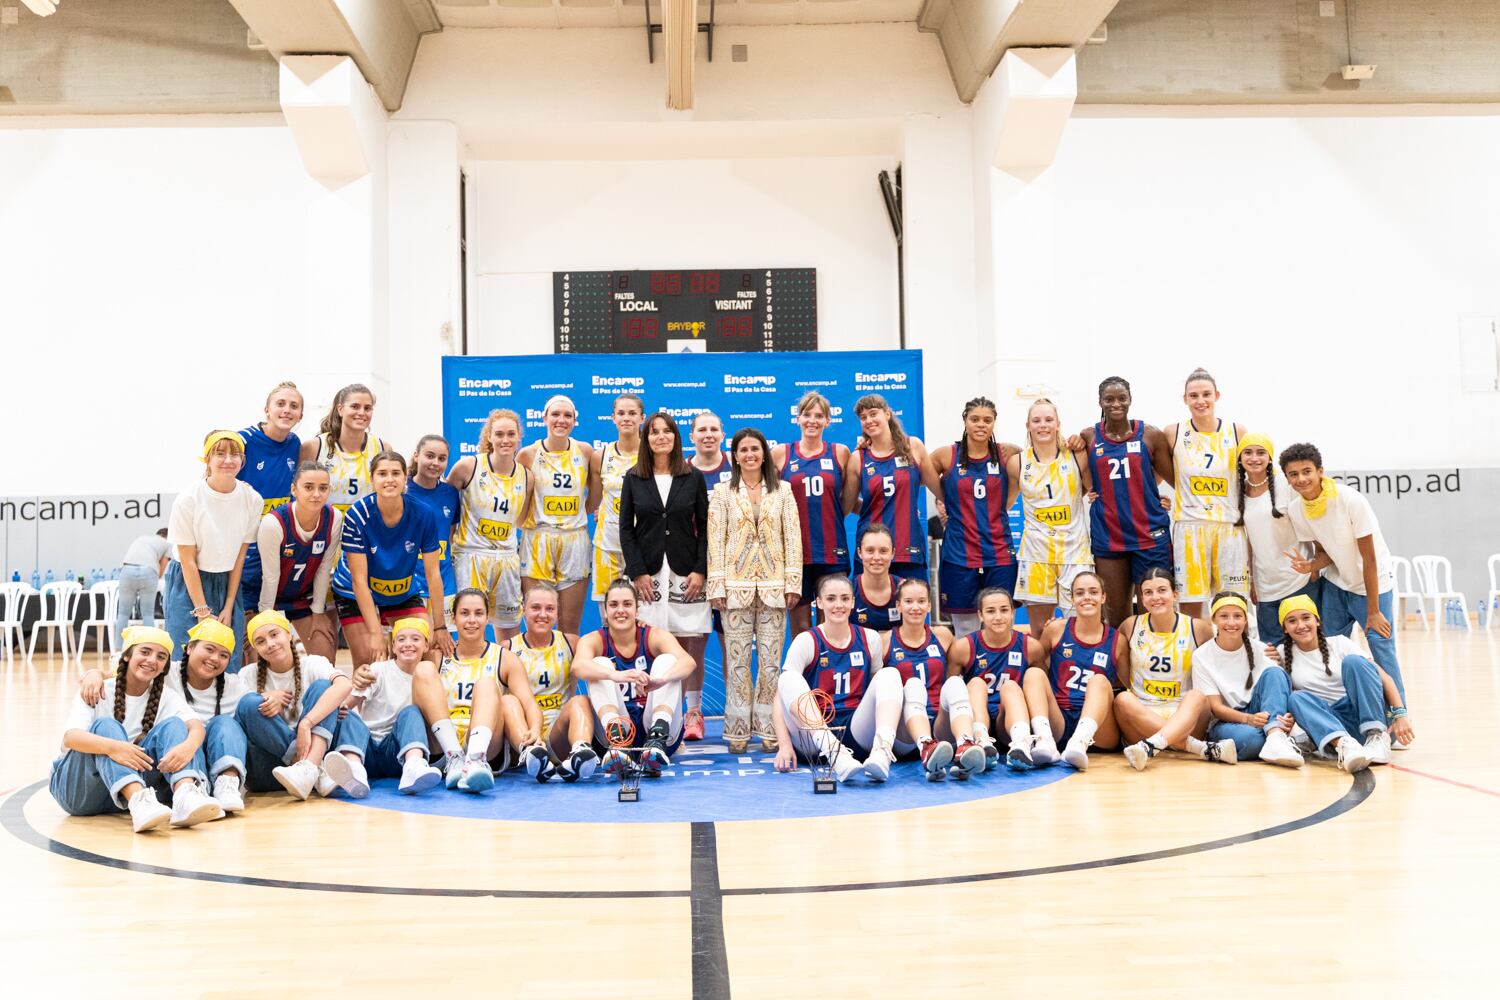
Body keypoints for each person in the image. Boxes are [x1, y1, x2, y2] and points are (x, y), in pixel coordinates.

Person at [50, 626, 221, 833]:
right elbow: (70, 738)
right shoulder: (99, 688)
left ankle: (185, 795)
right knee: (106, 725)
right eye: (145, 652)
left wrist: (188, 747)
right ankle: (139, 801)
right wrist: (114, 748)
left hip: (126, 795)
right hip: (80, 793)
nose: (152, 660)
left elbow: (196, 727)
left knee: (175, 725)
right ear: (126, 657)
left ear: (165, 666)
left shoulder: (165, 696)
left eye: (161, 656)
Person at [1280, 443, 1406, 702]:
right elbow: (1323, 553)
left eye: (1307, 471)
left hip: (1373, 585)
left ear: (1320, 471)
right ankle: (1344, 709)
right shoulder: (1296, 509)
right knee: (1330, 647)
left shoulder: (1349, 500)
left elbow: (1369, 559)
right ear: (1287, 478)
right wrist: (1311, 566)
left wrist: (1373, 611)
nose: (1301, 479)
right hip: (1337, 584)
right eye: (1294, 474)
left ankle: (1397, 717)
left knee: (1381, 649)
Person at [83, 621, 250, 812]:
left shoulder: (233, 684)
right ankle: (180, 794)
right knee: (174, 725)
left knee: (226, 723)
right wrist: (94, 674)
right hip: (173, 757)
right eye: (209, 649)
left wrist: (272, 697)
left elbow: (253, 703)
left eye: (224, 655)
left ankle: (226, 785)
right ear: (189, 648)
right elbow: (123, 673)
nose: (215, 658)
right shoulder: (165, 670)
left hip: (204, 757)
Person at [706, 426, 800, 753]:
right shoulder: (722, 492)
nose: (750, 455)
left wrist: (793, 582)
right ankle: (737, 730)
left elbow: (793, 538)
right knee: (738, 661)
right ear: (735, 455)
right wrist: (716, 584)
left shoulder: (784, 491)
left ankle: (770, 729)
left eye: (755, 449)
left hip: (775, 587)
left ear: (764, 453)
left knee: (771, 662)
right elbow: (716, 541)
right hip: (735, 587)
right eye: (743, 450)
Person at [620, 413, 711, 738]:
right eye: (654, 432)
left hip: (687, 573)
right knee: (650, 643)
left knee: (690, 644)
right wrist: (637, 572)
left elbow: (705, 529)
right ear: (646, 439)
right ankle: (652, 712)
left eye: (667, 431)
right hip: (648, 576)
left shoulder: (693, 477)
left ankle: (693, 713)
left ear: (675, 437)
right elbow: (626, 532)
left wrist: (700, 569)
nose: (660, 436)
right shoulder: (633, 478)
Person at [770, 574, 907, 783]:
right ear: (819, 602)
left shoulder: (870, 638)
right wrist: (785, 745)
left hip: (854, 730)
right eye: (831, 598)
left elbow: (879, 691)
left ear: (853, 602)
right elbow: (781, 696)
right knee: (787, 679)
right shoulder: (807, 640)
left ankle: (882, 752)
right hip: (813, 737)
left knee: (889, 674)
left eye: (845, 598)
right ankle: (837, 755)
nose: (838, 605)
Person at [330, 451, 453, 669]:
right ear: (372, 479)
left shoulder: (424, 514)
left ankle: (415, 702)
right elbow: (359, 580)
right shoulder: (357, 515)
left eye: (396, 473)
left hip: (400, 592)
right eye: (382, 473)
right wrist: (376, 632)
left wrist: (440, 627)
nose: (389, 479)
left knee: (428, 649)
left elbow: (433, 574)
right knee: (369, 658)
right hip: (354, 591)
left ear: (405, 477)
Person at [1075, 377, 1175, 626]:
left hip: (1149, 535)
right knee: (1116, 615)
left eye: (1122, 398)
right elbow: (1078, 475)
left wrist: (1149, 492)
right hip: (1109, 536)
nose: (1116, 404)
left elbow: (1174, 477)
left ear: (1130, 400)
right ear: (1100, 402)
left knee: (1152, 612)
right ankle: (1122, 665)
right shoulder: (1088, 437)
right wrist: (1091, 488)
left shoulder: (1150, 434)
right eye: (1109, 399)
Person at [572, 579, 695, 778]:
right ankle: (618, 742)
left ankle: (656, 739)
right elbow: (578, 666)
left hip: (657, 730)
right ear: (605, 610)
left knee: (668, 662)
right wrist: (614, 675)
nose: (620, 610)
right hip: (617, 732)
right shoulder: (594, 640)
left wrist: (660, 681)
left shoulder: (653, 635)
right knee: (600, 665)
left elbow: (688, 662)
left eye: (627, 604)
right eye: (613, 605)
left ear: (637, 609)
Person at [1278, 594, 1413, 774]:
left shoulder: (1339, 643)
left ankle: (1377, 736)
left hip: (1361, 714)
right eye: (1292, 621)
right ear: (1285, 628)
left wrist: (1400, 715)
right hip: (1330, 721)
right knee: (1296, 698)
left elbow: (1384, 678)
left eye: (1306, 617)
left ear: (1317, 621)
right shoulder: (1281, 654)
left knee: (1354, 662)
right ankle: (1343, 745)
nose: (1301, 625)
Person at [1114, 568, 1232, 771]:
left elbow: (1227, 653)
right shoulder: (1130, 625)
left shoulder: (1197, 628)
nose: (1155, 597)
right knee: (1123, 699)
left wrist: (1264, 652)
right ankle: (1199, 748)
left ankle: (1156, 744)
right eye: (1148, 592)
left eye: (1162, 590)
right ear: (1141, 598)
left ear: (1175, 595)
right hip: (1141, 717)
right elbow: (1118, 663)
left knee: (1197, 696)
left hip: (1185, 715)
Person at [164, 431, 263, 673]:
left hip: (228, 581)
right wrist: (201, 611)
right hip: (188, 582)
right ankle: (185, 711)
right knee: (184, 660)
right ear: (207, 460)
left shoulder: (252, 499)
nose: (228, 460)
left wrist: (229, 606)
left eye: (235, 454)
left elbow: (240, 557)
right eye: (220, 454)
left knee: (228, 659)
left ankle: (224, 710)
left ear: (243, 461)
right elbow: (187, 560)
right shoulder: (188, 499)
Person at [926, 396, 1020, 637]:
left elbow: (1035, 463)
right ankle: (967, 674)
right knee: (965, 629)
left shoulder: (1007, 453)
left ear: (994, 423)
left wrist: (1007, 501)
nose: (981, 424)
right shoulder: (946, 455)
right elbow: (919, 468)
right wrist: (945, 498)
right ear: (965, 421)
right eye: (975, 419)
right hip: (959, 552)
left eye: (987, 420)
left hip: (999, 551)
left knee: (1000, 623)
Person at [236, 610, 354, 800]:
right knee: (250, 703)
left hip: (309, 763)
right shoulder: (247, 674)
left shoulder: (313, 663)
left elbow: (345, 685)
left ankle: (309, 768)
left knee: (325, 688)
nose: (270, 644)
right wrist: (265, 697)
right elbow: (240, 717)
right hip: (269, 771)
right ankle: (312, 767)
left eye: (274, 634)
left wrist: (306, 723)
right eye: (260, 641)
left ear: (289, 634)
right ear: (255, 648)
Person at [324, 617, 444, 797]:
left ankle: (414, 766)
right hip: (367, 748)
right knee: (347, 715)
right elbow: (347, 704)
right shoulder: (378, 670)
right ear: (393, 646)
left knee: (411, 712)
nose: (408, 644)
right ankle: (355, 770)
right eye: (401, 639)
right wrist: (353, 684)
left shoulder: (430, 678)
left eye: (415, 639)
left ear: (426, 645)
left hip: (398, 752)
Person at [1163, 369, 1249, 618]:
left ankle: (1232, 654)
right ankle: (1194, 655)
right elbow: (1155, 472)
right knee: (1190, 607)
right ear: (1185, 399)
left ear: (1217, 396)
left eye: (1206, 394)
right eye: (1194, 395)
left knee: (1232, 605)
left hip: (1228, 527)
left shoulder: (1237, 431)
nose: (1200, 400)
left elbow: (1252, 472)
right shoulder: (1174, 432)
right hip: (1190, 528)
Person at [410, 594, 511, 794]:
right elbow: (398, 665)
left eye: (478, 613)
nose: (471, 620)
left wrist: (532, 731)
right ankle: (454, 757)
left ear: (487, 618)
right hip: (442, 747)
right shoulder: (435, 656)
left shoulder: (504, 658)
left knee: (487, 684)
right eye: (464, 613)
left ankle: (476, 760)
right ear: (453, 619)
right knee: (423, 670)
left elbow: (520, 702)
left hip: (488, 747)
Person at [883, 577, 984, 777]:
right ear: (898, 606)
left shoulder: (942, 635)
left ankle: (964, 743)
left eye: (921, 601)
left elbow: (961, 670)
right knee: (913, 684)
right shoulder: (885, 640)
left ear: (929, 605)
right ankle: (926, 747)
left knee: (955, 682)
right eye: (909, 601)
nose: (915, 607)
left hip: (940, 724)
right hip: (906, 731)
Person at [1020, 571, 1121, 770]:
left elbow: (1126, 684)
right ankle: (1044, 739)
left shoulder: (1118, 640)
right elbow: (1039, 664)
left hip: (1098, 729)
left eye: (1093, 592)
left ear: (1103, 597)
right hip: (1060, 719)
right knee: (1033, 674)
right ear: (1072, 598)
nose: (1087, 598)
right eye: (1080, 593)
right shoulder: (1056, 629)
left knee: (1099, 681)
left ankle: (1080, 742)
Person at [242, 461, 342, 661]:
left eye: (323, 488)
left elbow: (324, 569)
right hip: (260, 595)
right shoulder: (274, 523)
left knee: (324, 654)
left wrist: (317, 612)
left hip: (300, 595)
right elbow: (271, 577)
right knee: (258, 658)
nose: (316, 494)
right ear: (294, 489)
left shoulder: (334, 518)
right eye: (308, 487)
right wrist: (265, 620)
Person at [447, 408, 533, 641]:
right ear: (489, 437)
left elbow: (520, 519)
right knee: (469, 628)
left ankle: (501, 676)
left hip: (505, 558)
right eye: (499, 434)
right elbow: (445, 511)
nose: (505, 440)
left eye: (511, 434)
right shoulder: (468, 467)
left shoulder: (526, 476)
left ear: (518, 437)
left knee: (509, 634)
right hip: (470, 555)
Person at [1192, 592, 1303, 767]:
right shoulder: (1201, 656)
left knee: (1275, 672)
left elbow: (1276, 687)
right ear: (1213, 619)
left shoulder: (1261, 649)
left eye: (1237, 616)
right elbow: (1215, 708)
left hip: (1262, 714)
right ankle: (1276, 737)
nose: (1231, 622)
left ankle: (1275, 735)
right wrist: (1248, 719)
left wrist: (1287, 718)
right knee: (1251, 741)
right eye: (1224, 616)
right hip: (1227, 721)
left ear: (1245, 620)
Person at [773, 391, 852, 635]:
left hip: (832, 550)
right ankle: (803, 674)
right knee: (801, 627)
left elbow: (846, 501)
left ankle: (829, 673)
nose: (812, 420)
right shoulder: (781, 453)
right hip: (795, 554)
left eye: (819, 416)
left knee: (833, 623)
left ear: (828, 421)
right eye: (807, 414)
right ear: (797, 418)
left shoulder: (840, 452)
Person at [1011, 399, 1093, 629]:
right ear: (1028, 425)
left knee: (1078, 626)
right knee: (1039, 631)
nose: (1043, 425)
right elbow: (1003, 504)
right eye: (1036, 421)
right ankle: (1040, 667)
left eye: (1048, 420)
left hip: (1075, 553)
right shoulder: (1017, 462)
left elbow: (1094, 491)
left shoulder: (1076, 455)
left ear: (1058, 424)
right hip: (1036, 554)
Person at [518, 394, 595, 635]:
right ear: (544, 418)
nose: (561, 420)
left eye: (567, 416)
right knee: (536, 625)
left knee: (569, 627)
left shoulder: (584, 451)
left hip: (574, 540)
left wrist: (576, 517)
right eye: (555, 414)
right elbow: (519, 504)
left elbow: (594, 497)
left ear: (574, 421)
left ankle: (569, 675)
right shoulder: (528, 454)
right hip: (538, 540)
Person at [507, 584, 599, 781]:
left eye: (550, 609)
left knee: (580, 701)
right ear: (523, 610)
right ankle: (531, 752)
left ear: (558, 613)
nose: (543, 614)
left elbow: (610, 647)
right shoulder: (507, 649)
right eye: (535, 607)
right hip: (522, 733)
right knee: (507, 702)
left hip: (559, 734)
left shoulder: (572, 642)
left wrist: (637, 623)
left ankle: (580, 751)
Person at [947, 587, 1045, 770]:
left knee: (1011, 687)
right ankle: (981, 741)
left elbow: (1038, 690)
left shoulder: (1031, 647)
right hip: (974, 719)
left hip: (1008, 720)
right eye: (991, 611)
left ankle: (1021, 743)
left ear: (1013, 612)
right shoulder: (963, 647)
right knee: (975, 683)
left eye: (1004, 610)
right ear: (980, 615)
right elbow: (951, 692)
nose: (998, 617)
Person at [1235, 433, 1318, 645]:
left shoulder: (1285, 485)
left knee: (1305, 645)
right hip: (1265, 586)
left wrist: (1315, 566)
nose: (1254, 458)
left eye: (1261, 453)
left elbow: (1312, 525)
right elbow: (1250, 539)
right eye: (1248, 452)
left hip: (1298, 579)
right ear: (1240, 458)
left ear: (1270, 457)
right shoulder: (1239, 491)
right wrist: (1252, 581)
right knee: (1273, 650)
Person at [684, 410, 734, 732]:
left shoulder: (738, 465)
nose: (708, 435)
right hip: (694, 569)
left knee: (733, 642)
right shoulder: (681, 470)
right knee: (694, 643)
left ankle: (736, 710)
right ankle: (693, 713)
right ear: (692, 436)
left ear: (722, 433)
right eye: (701, 429)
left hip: (732, 570)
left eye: (714, 429)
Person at [844, 393, 930, 578]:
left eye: (874, 414)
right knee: (867, 606)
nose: (869, 420)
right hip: (871, 549)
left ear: (888, 414)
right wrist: (882, 506)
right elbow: (847, 506)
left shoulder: (913, 446)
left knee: (913, 606)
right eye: (863, 417)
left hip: (909, 546)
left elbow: (937, 485)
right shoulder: (858, 457)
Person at [590, 393, 644, 615]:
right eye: (621, 413)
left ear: (642, 418)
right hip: (607, 547)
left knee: (644, 617)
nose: (626, 418)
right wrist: (601, 510)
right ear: (613, 418)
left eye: (632, 413)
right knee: (610, 617)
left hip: (643, 548)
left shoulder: (652, 454)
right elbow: (594, 500)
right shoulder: (600, 456)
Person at [300, 383, 389, 513]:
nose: (362, 413)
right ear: (340, 409)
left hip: (364, 529)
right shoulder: (315, 447)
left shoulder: (382, 448)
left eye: (367, 408)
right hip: (326, 528)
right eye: (355, 406)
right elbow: (300, 494)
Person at [405, 435, 462, 624]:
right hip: (408, 585)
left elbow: (450, 534)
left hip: (444, 584)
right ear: (416, 456)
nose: (435, 463)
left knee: (444, 647)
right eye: (429, 456)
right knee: (409, 647)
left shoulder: (450, 493)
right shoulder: (402, 490)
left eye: (441, 458)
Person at [238, 380, 305, 516]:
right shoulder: (243, 440)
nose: (287, 410)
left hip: (279, 528)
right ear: (267, 410)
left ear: (300, 416)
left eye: (294, 406)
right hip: (245, 529)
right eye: (280, 404)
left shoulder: (295, 443)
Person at [115, 528, 170, 649]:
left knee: (123, 613)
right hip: (149, 571)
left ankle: (118, 649)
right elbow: (162, 568)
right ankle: (148, 647)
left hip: (127, 569)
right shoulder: (167, 544)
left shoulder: (142, 538)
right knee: (148, 614)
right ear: (168, 536)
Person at [851, 524, 904, 633]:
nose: (876, 557)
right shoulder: (847, 590)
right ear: (859, 553)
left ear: (893, 553)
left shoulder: (906, 589)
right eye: (870, 550)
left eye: (883, 551)